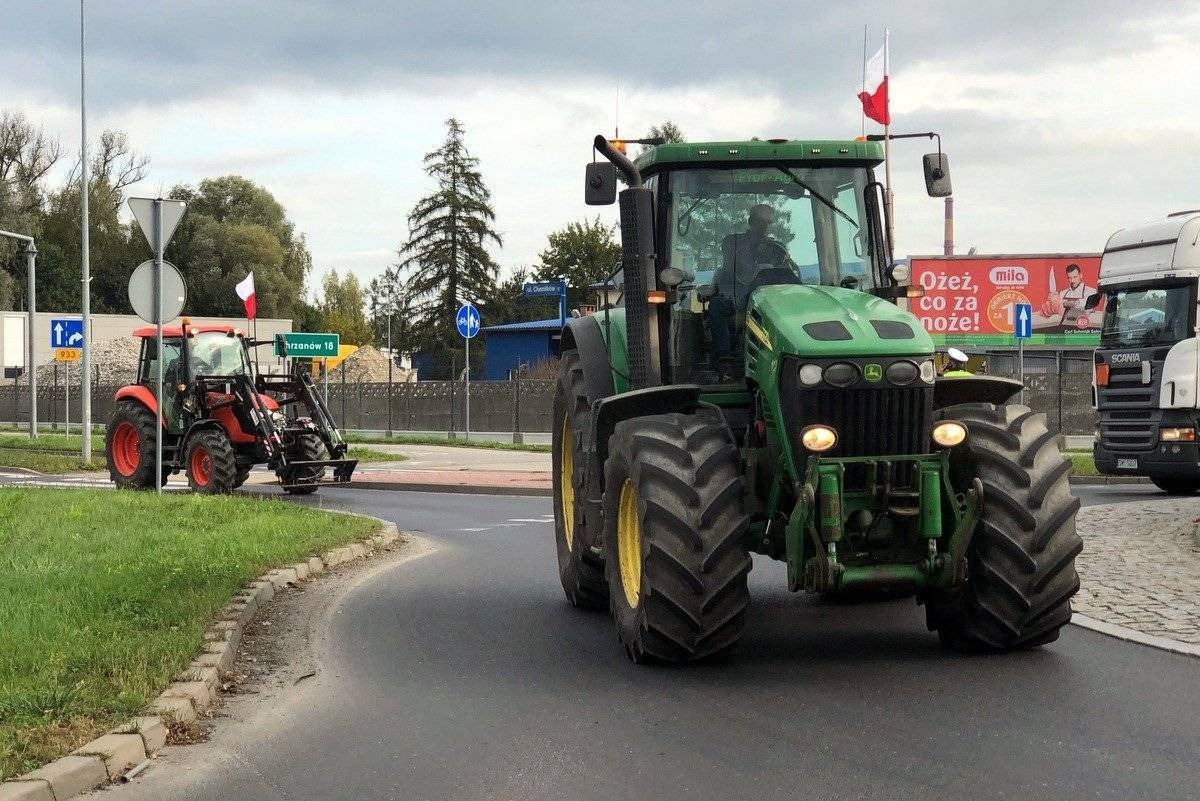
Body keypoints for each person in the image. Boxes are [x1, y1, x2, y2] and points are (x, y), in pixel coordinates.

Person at [707, 204, 791, 357]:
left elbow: (785, 272)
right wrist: (753, 247)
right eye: (761, 221)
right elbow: (731, 261)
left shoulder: (778, 247)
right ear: (751, 220)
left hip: (769, 299)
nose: (765, 225)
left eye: (769, 222)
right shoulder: (732, 242)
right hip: (736, 296)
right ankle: (723, 356)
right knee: (716, 306)